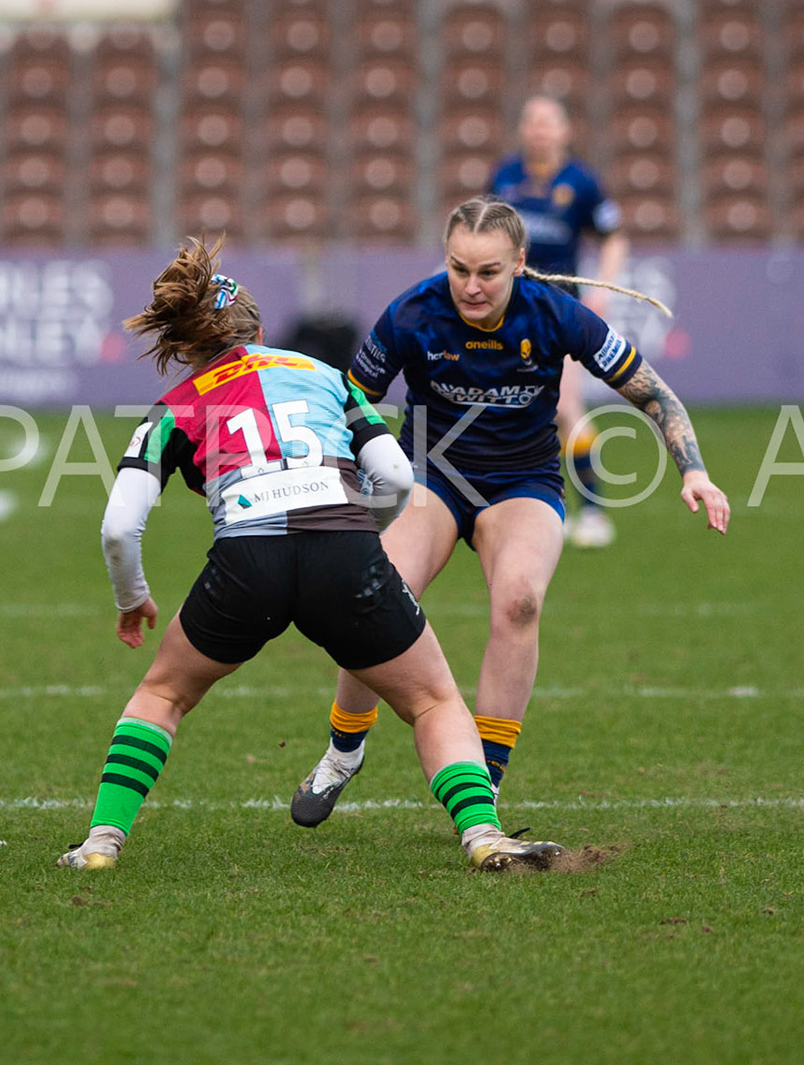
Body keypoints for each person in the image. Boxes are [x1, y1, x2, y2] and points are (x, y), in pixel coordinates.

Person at [59, 236, 563, 872]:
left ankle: (102, 843)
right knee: (434, 701)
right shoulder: (322, 375)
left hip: (246, 562)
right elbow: (398, 479)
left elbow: (118, 526)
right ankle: (485, 836)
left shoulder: (175, 406)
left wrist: (133, 599)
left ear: (186, 345)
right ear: (260, 328)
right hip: (345, 552)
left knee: (162, 696)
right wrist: (358, 537)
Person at [288, 196, 729, 826]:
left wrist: (695, 472)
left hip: (522, 481)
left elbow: (653, 392)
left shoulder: (556, 314)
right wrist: (339, 477)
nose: (470, 286)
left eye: (488, 271)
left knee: (519, 600)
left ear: (520, 263)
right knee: (376, 591)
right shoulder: (413, 312)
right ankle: (343, 748)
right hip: (431, 475)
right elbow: (349, 401)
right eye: (458, 268)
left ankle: (484, 779)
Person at [491, 95, 630, 548]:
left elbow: (613, 239)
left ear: (565, 131)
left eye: (548, 123)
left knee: (565, 408)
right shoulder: (504, 177)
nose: (539, 131)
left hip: (558, 315)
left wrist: (602, 290)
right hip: (508, 314)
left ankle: (594, 511)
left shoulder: (582, 182)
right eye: (532, 122)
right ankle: (535, 504)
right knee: (516, 409)